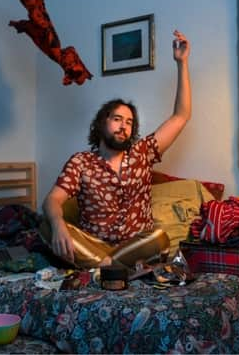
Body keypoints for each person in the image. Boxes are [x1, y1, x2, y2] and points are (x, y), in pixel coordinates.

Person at [41, 30, 191, 269]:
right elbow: (52, 200)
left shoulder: (143, 152)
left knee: (159, 238)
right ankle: (111, 266)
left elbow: (181, 116)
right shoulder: (81, 162)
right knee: (47, 224)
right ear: (102, 123)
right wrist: (59, 225)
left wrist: (181, 63)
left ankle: (102, 267)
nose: (124, 126)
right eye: (117, 119)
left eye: (130, 122)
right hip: (93, 244)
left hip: (136, 247)